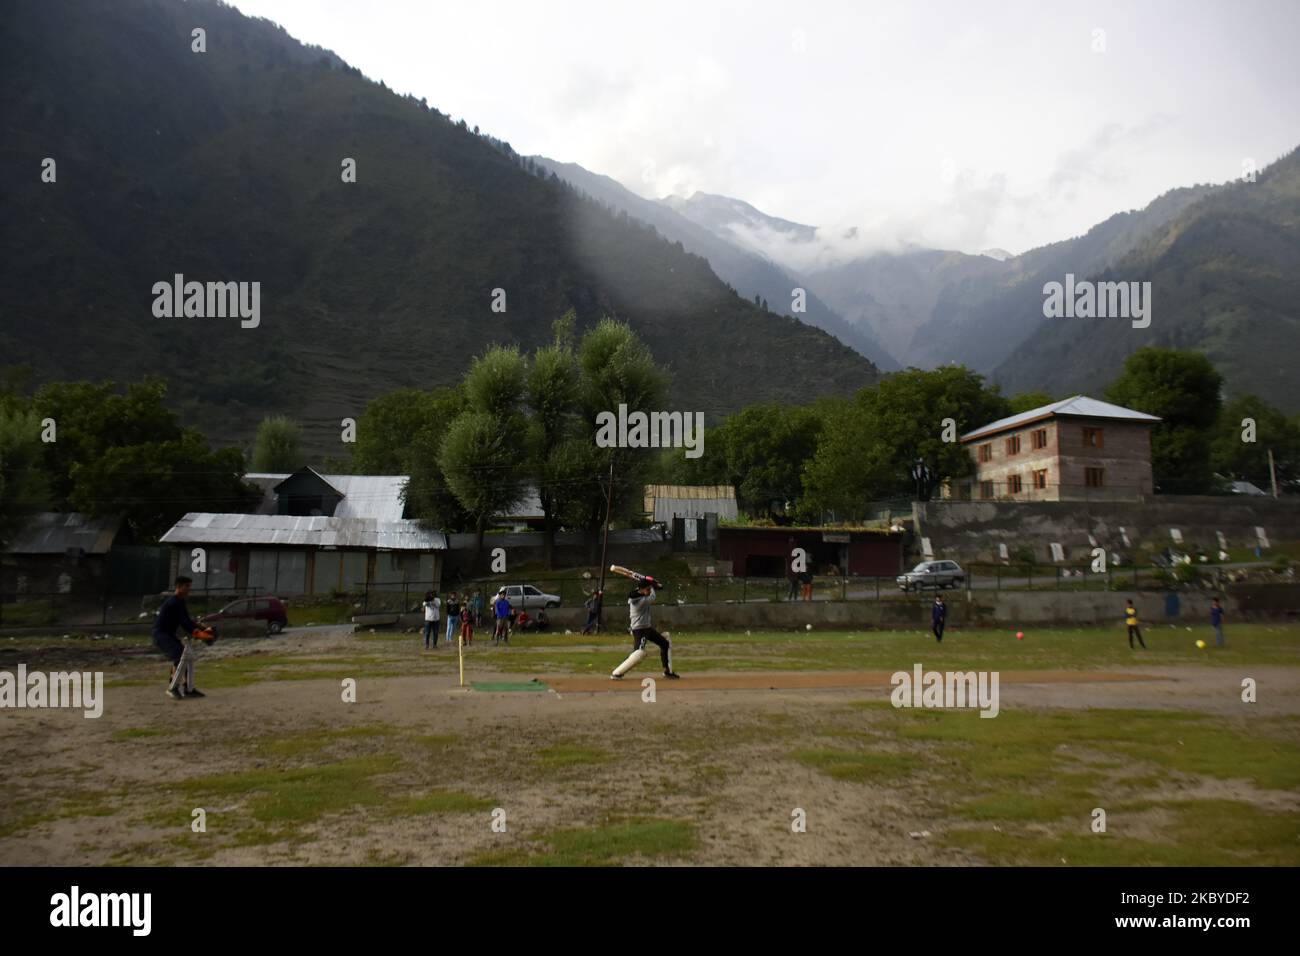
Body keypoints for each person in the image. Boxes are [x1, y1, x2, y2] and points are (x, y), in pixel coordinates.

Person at [611, 579, 679, 680]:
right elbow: (652, 596)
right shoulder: (641, 601)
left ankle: (667, 671)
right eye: (647, 589)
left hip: (647, 628)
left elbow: (639, 592)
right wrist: (653, 585)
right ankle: (617, 673)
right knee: (638, 653)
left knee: (665, 643)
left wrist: (652, 584)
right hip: (640, 630)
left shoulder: (639, 594)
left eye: (649, 589)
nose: (649, 591)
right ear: (641, 590)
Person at [153, 575, 203, 700]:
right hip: (161, 634)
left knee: (188, 657)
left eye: (189, 586)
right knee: (180, 656)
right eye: (186, 586)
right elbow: (185, 624)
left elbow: (187, 621)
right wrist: (201, 633)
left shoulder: (180, 602)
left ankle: (189, 689)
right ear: (178, 587)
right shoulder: (174, 602)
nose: (188, 589)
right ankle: (172, 688)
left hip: (168, 634)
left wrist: (202, 628)